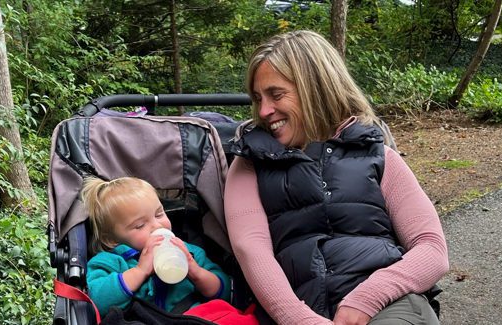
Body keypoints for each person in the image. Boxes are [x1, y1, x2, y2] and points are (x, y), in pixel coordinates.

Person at [224, 30, 449, 325]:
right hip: (297, 309)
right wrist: (301, 320)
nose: (264, 110)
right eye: (258, 98)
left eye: (276, 95)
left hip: (388, 304)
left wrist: (367, 298)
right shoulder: (249, 164)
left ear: (315, 87)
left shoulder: (378, 155)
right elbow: (252, 251)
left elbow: (432, 248)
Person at [82, 176, 256, 324]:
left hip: (196, 317)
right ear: (111, 239)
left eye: (159, 214)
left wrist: (196, 272)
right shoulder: (109, 262)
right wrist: (139, 271)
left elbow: (226, 293)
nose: (157, 225)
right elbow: (96, 301)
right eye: (140, 225)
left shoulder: (189, 252)